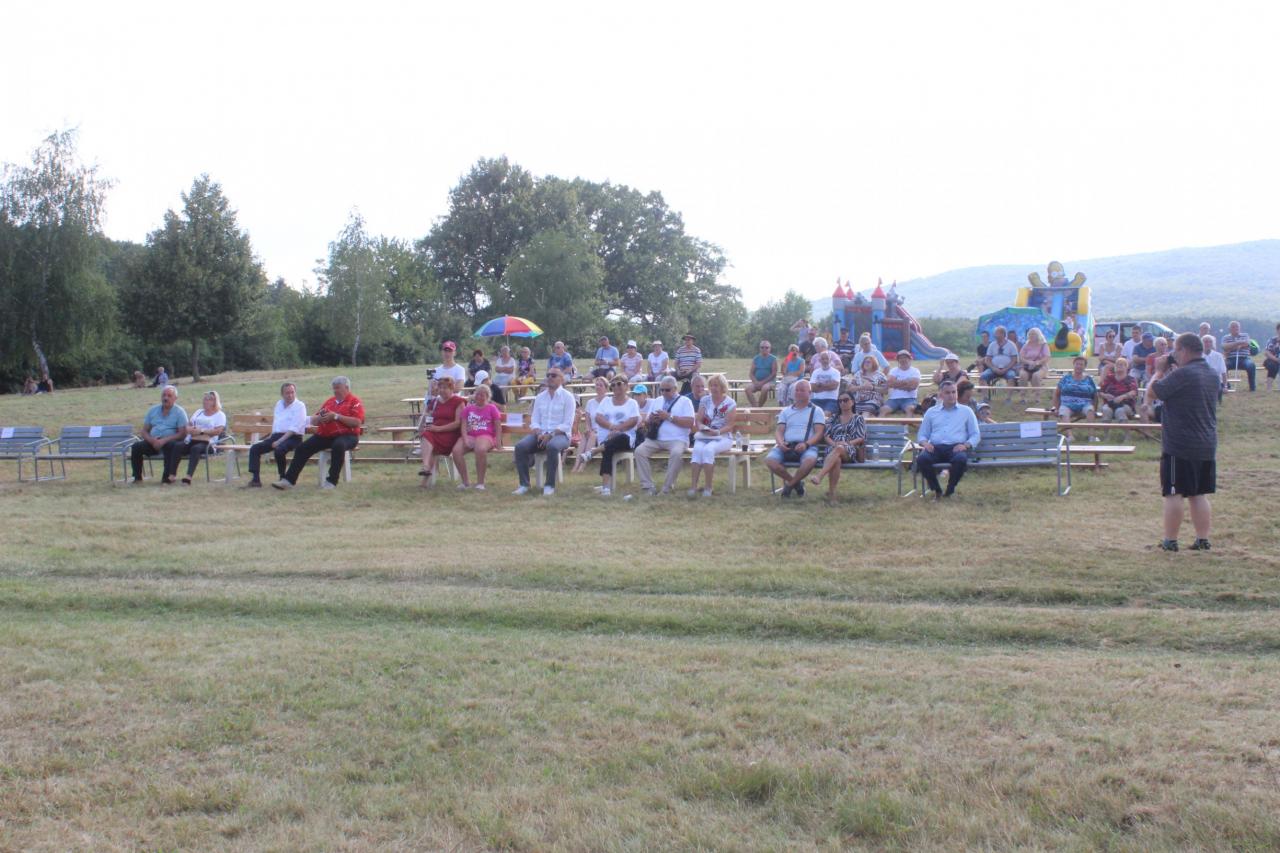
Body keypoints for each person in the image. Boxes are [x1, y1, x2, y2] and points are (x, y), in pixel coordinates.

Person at [1145, 333, 1218, 551]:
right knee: (1198, 493)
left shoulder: (1184, 373)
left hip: (1180, 443)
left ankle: (1170, 540)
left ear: (1184, 350)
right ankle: (1202, 539)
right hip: (1206, 442)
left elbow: (1152, 392)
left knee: (1173, 492)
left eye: (1176, 350)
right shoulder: (1211, 373)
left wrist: (1159, 371)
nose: (1173, 354)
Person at [272, 376, 364, 491]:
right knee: (303, 448)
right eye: (334, 388)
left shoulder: (355, 402)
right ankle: (288, 480)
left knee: (339, 445)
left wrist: (336, 416)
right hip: (327, 435)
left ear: (346, 388)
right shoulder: (330, 402)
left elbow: (357, 422)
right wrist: (319, 418)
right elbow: (315, 420)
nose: (335, 391)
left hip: (348, 436)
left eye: (338, 388)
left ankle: (331, 481)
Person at [513, 368, 576, 496]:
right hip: (540, 434)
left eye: (553, 375)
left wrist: (551, 435)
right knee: (520, 447)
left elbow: (567, 424)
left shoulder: (568, 397)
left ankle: (549, 485)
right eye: (548, 375)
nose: (550, 377)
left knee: (552, 446)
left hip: (561, 435)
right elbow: (535, 420)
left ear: (561, 379)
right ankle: (524, 484)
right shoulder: (540, 397)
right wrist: (538, 432)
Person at [915, 380, 981, 500]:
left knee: (960, 460)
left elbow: (975, 434)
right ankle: (937, 490)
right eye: (947, 393)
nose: (951, 395)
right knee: (922, 459)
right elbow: (922, 435)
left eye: (953, 392)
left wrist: (966, 445)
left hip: (956, 447)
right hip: (935, 447)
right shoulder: (931, 412)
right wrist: (925, 443)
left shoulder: (966, 411)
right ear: (941, 395)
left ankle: (950, 489)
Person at [634, 376, 696, 495]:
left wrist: (669, 417)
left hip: (678, 439)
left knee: (676, 453)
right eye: (661, 390)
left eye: (667, 390)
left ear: (675, 389)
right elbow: (647, 421)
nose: (663, 392)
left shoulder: (685, 401)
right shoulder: (657, 400)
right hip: (656, 439)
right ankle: (648, 487)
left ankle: (666, 488)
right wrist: (652, 419)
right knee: (639, 451)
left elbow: (690, 423)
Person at [763, 379, 825, 498]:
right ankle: (796, 484)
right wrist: (780, 443)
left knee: (810, 461)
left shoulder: (817, 411)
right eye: (797, 390)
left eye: (802, 390)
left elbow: (819, 433)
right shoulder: (786, 411)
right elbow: (779, 431)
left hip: (807, 446)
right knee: (770, 460)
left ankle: (789, 485)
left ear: (809, 393)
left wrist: (806, 444)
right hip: (787, 445)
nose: (798, 393)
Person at [245, 382, 308, 487]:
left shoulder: (300, 406)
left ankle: (282, 478)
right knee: (255, 448)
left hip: (293, 437)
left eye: (292, 392)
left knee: (279, 450)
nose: (290, 395)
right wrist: (272, 438)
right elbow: (277, 424)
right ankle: (255, 480)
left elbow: (294, 429)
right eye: (287, 393)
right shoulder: (279, 404)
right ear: (282, 394)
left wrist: (279, 441)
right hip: (276, 436)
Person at [808, 392, 867, 502]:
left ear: (852, 402)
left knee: (840, 448)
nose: (843, 403)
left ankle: (820, 476)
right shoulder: (833, 418)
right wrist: (834, 444)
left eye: (846, 400)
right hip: (833, 447)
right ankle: (832, 494)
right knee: (837, 459)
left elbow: (861, 437)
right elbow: (826, 436)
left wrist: (847, 443)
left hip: (850, 449)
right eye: (840, 401)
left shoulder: (858, 418)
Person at [688, 374, 737, 497]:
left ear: (722, 387)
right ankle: (693, 487)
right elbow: (698, 420)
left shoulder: (730, 403)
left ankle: (708, 487)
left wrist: (717, 432)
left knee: (708, 450)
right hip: (705, 435)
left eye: (716, 385)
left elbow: (730, 426)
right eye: (711, 385)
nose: (713, 388)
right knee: (697, 450)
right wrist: (702, 427)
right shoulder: (705, 400)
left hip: (723, 436)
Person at [130, 385, 189, 484]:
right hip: (153, 442)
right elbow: (144, 431)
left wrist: (164, 440)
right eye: (164, 395)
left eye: (169, 396)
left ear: (175, 398)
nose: (165, 398)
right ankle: (137, 478)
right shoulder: (153, 410)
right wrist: (152, 441)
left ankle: (166, 478)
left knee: (171, 446)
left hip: (170, 442)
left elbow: (182, 434)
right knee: (136, 446)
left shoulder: (180, 412)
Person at [593, 376, 641, 497]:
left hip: (626, 438)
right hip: (606, 438)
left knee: (619, 438)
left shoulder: (632, 403)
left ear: (626, 385)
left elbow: (633, 421)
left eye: (619, 384)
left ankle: (593, 452)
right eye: (613, 385)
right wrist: (612, 427)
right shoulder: (606, 401)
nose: (615, 387)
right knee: (608, 448)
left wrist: (618, 430)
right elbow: (598, 418)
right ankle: (606, 488)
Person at [452, 383, 502, 490]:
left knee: (480, 449)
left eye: (482, 395)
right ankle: (465, 482)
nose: (479, 397)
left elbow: (498, 426)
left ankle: (480, 483)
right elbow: (463, 426)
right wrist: (465, 439)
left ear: (487, 397)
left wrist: (498, 441)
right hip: (470, 435)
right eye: (477, 394)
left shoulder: (492, 408)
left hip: (486, 435)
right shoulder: (468, 409)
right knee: (456, 451)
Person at [172, 390, 227, 484]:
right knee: (177, 446)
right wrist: (189, 429)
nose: (206, 401)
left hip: (209, 443)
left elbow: (218, 431)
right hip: (193, 439)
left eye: (209, 399)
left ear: (215, 402)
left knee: (196, 449)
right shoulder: (198, 412)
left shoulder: (220, 415)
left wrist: (201, 431)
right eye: (205, 399)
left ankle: (188, 477)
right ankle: (172, 475)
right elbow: (188, 425)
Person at [419, 376, 464, 487]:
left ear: (452, 388)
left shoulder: (459, 402)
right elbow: (426, 415)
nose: (442, 390)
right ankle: (425, 467)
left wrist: (438, 429)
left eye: (445, 388)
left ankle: (425, 478)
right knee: (426, 435)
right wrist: (424, 421)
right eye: (440, 388)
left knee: (429, 441)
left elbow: (457, 423)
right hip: (434, 432)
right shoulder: (434, 402)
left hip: (450, 435)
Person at [572, 376, 611, 473]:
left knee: (592, 436)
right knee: (586, 436)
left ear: (606, 388)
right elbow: (588, 421)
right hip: (593, 431)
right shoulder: (590, 402)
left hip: (605, 432)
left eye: (601, 385)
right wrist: (588, 429)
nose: (598, 387)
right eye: (597, 385)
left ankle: (582, 466)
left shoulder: (610, 402)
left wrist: (596, 431)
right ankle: (576, 465)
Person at [1053, 356, 1098, 439]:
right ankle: (1070, 436)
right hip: (1067, 404)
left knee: (1090, 410)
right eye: (1077, 364)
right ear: (1073, 365)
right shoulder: (1066, 378)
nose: (1079, 366)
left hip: (1085, 404)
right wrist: (1056, 408)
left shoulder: (1089, 379)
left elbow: (1095, 395)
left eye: (1081, 364)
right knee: (1063, 411)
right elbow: (1056, 394)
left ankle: (1091, 436)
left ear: (1085, 367)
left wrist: (1095, 408)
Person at [880, 350, 920, 416]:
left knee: (910, 409)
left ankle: (907, 422)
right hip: (893, 399)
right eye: (900, 358)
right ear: (898, 360)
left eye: (905, 357)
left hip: (909, 398)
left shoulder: (915, 371)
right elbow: (889, 383)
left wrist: (895, 384)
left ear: (909, 359)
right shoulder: (893, 370)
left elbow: (913, 386)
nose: (903, 359)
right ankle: (877, 422)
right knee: (883, 409)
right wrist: (906, 381)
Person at [1221, 320, 1256, 392]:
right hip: (1230, 359)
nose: (1235, 328)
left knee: (1251, 365)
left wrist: (1231, 347)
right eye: (1233, 327)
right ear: (1229, 329)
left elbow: (1247, 343)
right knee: (1223, 366)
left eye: (1237, 327)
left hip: (1244, 358)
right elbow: (1224, 347)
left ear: (1240, 328)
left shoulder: (1245, 335)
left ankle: (1252, 387)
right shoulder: (1225, 337)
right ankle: (1226, 386)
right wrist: (1238, 343)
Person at [981, 326, 1019, 390]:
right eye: (995, 334)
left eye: (997, 333)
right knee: (983, 376)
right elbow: (987, 360)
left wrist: (1005, 369)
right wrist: (994, 368)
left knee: (1011, 376)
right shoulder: (992, 345)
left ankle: (1008, 396)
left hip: (1008, 369)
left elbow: (1014, 360)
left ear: (1003, 334)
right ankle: (985, 396)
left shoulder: (1011, 345)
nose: (995, 335)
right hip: (993, 369)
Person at [745, 341, 778, 407]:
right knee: (747, 389)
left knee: (764, 388)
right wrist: (755, 382)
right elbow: (751, 373)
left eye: (766, 347)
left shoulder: (773, 359)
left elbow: (773, 374)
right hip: (757, 382)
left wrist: (762, 383)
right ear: (759, 348)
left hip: (770, 382)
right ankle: (755, 406)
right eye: (762, 347)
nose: (764, 349)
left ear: (770, 349)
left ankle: (760, 407)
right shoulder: (756, 359)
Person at [1018, 327, 1051, 392]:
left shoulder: (1043, 345)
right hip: (1027, 367)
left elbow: (1047, 357)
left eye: (1033, 334)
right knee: (1022, 375)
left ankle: (1037, 395)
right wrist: (1028, 362)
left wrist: (1037, 363)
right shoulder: (1026, 345)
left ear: (1038, 335)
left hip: (1041, 367)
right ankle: (1023, 395)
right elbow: (1020, 357)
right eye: (1030, 334)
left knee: (1036, 376)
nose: (1031, 335)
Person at [1201, 336, 1228, 401]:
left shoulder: (1219, 356)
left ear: (1212, 344)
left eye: (1210, 342)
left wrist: (1225, 386)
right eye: (1205, 342)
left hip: (1216, 381)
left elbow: (1223, 372)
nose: (1208, 344)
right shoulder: (1198, 355)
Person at [1264, 322, 1280, 392]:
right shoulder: (1272, 340)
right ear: (1277, 330)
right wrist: (1276, 359)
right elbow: (1267, 353)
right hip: (1272, 360)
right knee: (1273, 365)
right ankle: (1269, 387)